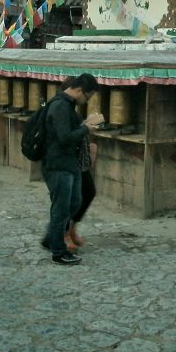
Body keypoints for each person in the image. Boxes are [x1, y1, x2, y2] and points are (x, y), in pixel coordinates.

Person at [40, 73, 104, 265]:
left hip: (70, 163)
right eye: (87, 96)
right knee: (61, 209)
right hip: (58, 164)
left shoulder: (68, 106)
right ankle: (59, 252)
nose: (86, 101)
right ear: (78, 90)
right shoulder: (59, 106)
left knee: (75, 201)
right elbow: (64, 137)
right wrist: (86, 129)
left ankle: (50, 238)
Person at [67, 137, 97, 250]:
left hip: (81, 158)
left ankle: (72, 227)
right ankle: (64, 234)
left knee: (89, 191)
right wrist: (84, 127)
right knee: (67, 197)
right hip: (65, 158)